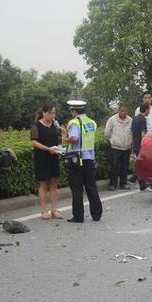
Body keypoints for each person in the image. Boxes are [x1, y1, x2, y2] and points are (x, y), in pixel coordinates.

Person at [65, 92, 102, 223]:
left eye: (71, 111)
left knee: (77, 188)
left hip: (77, 160)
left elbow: (74, 138)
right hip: (90, 159)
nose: (71, 113)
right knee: (91, 187)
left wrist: (66, 138)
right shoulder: (92, 122)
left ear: (74, 111)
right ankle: (96, 214)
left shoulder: (74, 122)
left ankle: (78, 216)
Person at [30, 104, 62, 220]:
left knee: (54, 184)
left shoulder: (55, 125)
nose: (53, 116)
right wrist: (48, 149)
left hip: (53, 157)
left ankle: (54, 210)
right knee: (43, 185)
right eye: (51, 113)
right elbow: (34, 142)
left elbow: (59, 140)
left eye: (54, 113)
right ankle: (44, 211)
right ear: (44, 113)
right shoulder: (36, 126)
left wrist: (59, 148)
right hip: (42, 158)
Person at [104, 104, 132, 191]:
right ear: (118, 110)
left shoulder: (130, 120)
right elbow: (107, 133)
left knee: (125, 166)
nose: (123, 112)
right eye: (122, 110)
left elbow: (132, 132)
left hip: (127, 147)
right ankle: (113, 184)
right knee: (114, 166)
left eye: (125, 111)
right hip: (115, 147)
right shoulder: (112, 120)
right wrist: (112, 140)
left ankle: (123, 183)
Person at [131, 104, 152, 192]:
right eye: (149, 110)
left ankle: (141, 184)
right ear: (146, 110)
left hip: (135, 145)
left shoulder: (135, 119)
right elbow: (143, 134)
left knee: (138, 165)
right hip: (141, 146)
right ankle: (143, 185)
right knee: (143, 165)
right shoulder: (143, 119)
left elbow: (132, 133)